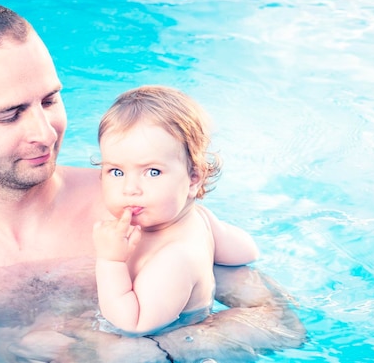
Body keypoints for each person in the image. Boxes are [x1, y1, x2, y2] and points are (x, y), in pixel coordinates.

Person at [0, 0, 306, 363]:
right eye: (10, 113)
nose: (44, 131)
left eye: (50, 99)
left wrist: (145, 350)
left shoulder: (133, 199)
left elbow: (279, 323)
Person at [93, 85, 259, 336]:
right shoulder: (201, 219)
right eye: (117, 171)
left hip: (168, 345)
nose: (130, 188)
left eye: (152, 172)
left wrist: (110, 261)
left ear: (193, 179)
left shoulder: (175, 258)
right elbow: (245, 251)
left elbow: (132, 324)